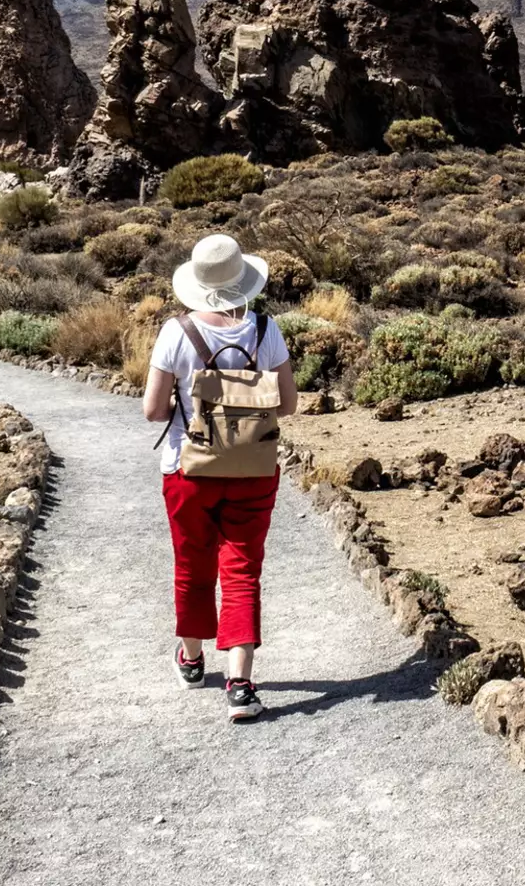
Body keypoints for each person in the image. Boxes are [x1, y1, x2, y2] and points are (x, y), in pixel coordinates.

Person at [142, 234, 296, 722]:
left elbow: (152, 411)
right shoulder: (266, 330)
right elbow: (288, 404)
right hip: (253, 469)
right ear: (242, 280)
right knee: (242, 570)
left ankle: (191, 659)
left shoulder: (176, 332)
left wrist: (188, 406)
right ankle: (241, 684)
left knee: (192, 563)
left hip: (189, 469)